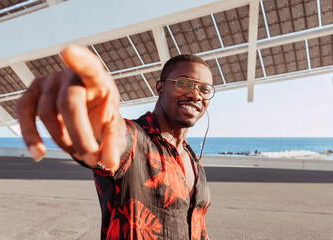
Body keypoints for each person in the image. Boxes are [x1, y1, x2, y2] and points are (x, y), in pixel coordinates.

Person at [17, 45, 215, 239]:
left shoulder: (192, 159)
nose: (195, 94)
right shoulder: (135, 138)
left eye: (204, 89)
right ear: (160, 87)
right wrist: (92, 113)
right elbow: (112, 138)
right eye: (184, 84)